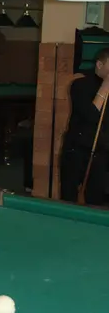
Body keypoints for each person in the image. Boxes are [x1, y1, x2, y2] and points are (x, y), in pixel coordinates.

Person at [60, 47, 109, 205]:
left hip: (100, 152)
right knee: (70, 199)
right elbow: (91, 116)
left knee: (96, 201)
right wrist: (105, 87)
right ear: (99, 65)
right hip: (76, 150)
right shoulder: (80, 84)